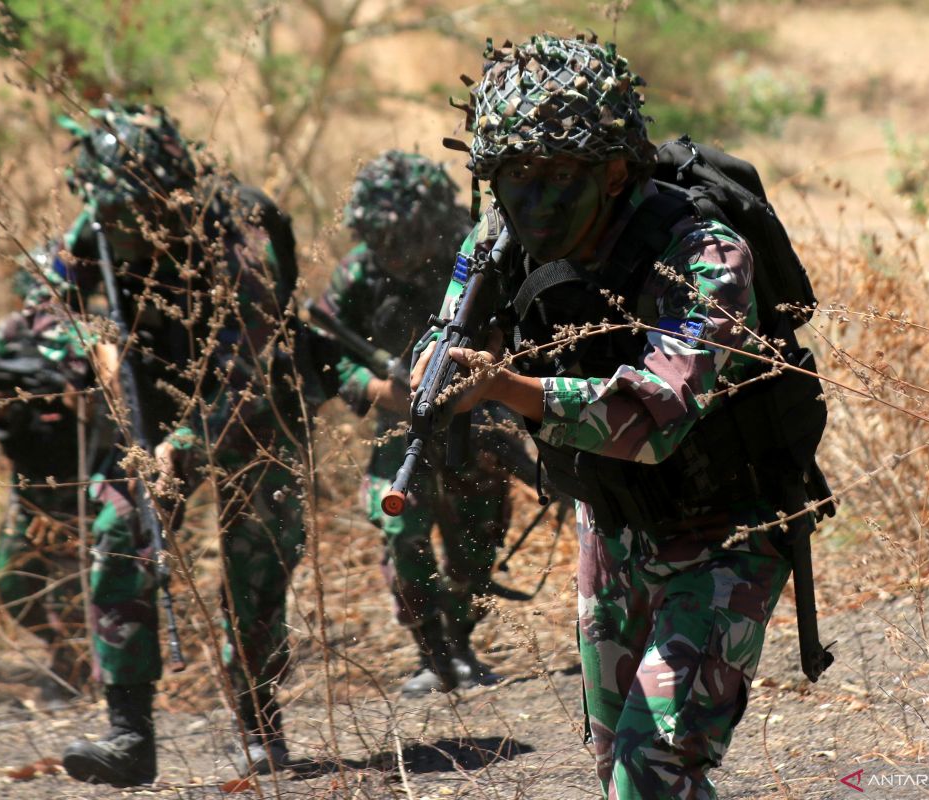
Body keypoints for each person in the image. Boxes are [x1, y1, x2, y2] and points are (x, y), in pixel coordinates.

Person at [411, 34, 813, 798]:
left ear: (616, 171)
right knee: (614, 769)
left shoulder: (704, 252)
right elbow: (446, 329)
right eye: (513, 175)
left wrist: (506, 389)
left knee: (650, 770)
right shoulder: (497, 239)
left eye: (558, 175)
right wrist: (435, 364)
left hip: (726, 529)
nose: (531, 200)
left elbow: (659, 415)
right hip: (611, 524)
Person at [56, 103, 325, 785]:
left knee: (254, 571)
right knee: (120, 530)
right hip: (156, 405)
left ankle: (262, 727)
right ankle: (129, 737)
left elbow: (245, 377)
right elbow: (43, 302)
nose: (116, 231)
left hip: (254, 413)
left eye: (131, 216)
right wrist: (93, 346)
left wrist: (182, 445)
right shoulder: (101, 219)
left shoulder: (238, 242)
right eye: (107, 216)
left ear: (168, 197)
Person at [313, 151, 511, 696]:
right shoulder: (359, 272)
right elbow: (328, 350)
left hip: (476, 422)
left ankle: (461, 640)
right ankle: (433, 652)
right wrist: (380, 390)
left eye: (404, 243)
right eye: (383, 244)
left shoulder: (469, 257)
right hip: (402, 431)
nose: (395, 256)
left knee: (475, 537)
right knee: (402, 532)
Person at [0, 246, 112, 703]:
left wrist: (79, 398)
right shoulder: (12, 332)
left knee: (74, 584)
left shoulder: (93, 333)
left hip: (80, 477)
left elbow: (117, 403)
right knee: (11, 580)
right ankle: (63, 652)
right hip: (30, 478)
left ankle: (79, 673)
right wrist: (2, 407)